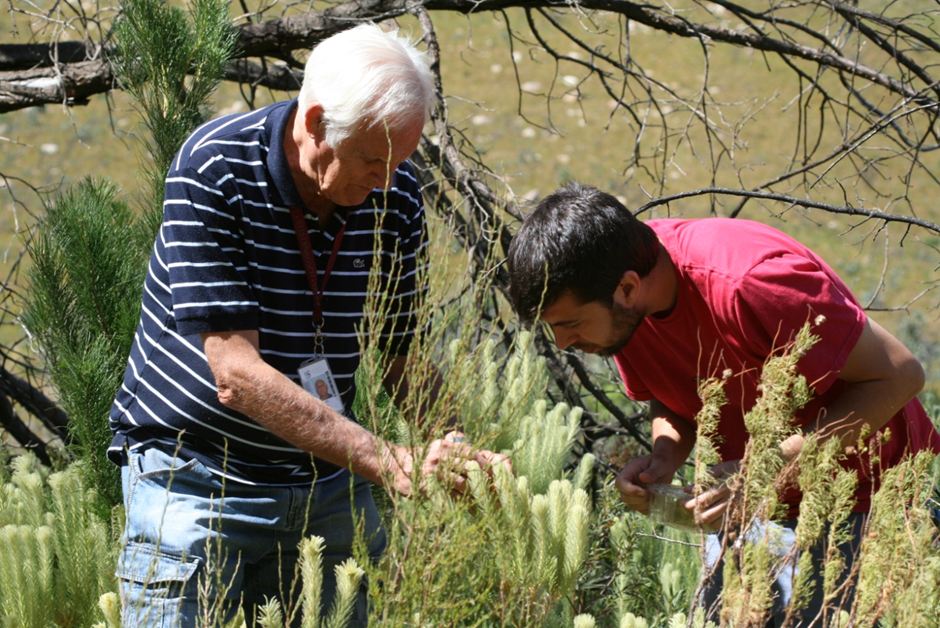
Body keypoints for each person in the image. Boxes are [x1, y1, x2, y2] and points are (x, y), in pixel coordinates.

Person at [109, 23, 506, 628]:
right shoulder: (215, 167)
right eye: (374, 159)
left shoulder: (394, 198)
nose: (388, 180)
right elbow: (235, 375)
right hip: (197, 482)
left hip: (326, 490)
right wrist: (391, 462)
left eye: (401, 160)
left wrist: (451, 449)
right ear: (317, 122)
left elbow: (402, 358)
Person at [505, 181, 940, 626]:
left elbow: (900, 374)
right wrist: (664, 456)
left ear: (629, 288)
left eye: (571, 324)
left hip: (871, 499)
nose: (562, 343)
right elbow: (671, 390)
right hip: (746, 509)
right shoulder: (620, 298)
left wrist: (764, 470)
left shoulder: (754, 282)